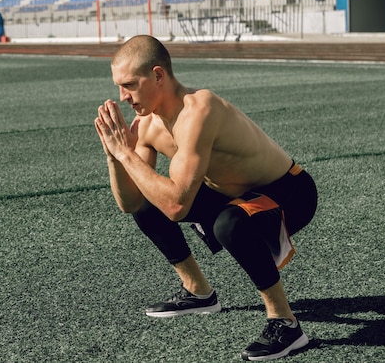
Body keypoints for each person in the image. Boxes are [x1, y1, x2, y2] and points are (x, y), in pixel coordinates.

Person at [94, 35, 317, 361]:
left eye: (129, 84)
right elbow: (130, 203)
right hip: (230, 194)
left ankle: (286, 323)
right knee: (146, 200)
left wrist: (127, 157)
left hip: (288, 191)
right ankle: (199, 293)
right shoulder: (146, 125)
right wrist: (116, 157)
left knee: (231, 224)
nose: (123, 96)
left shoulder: (200, 108)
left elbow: (176, 206)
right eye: (118, 87)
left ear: (158, 75)